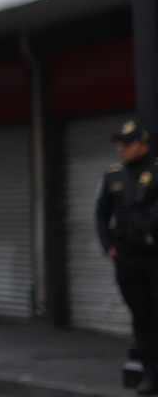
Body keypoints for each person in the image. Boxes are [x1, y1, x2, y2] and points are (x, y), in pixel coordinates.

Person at [96, 118, 158, 394]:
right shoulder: (113, 176)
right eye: (119, 144)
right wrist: (108, 245)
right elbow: (101, 213)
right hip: (128, 259)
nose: (121, 148)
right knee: (141, 317)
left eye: (128, 143)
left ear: (143, 145)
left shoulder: (155, 172)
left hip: (154, 256)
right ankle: (151, 376)